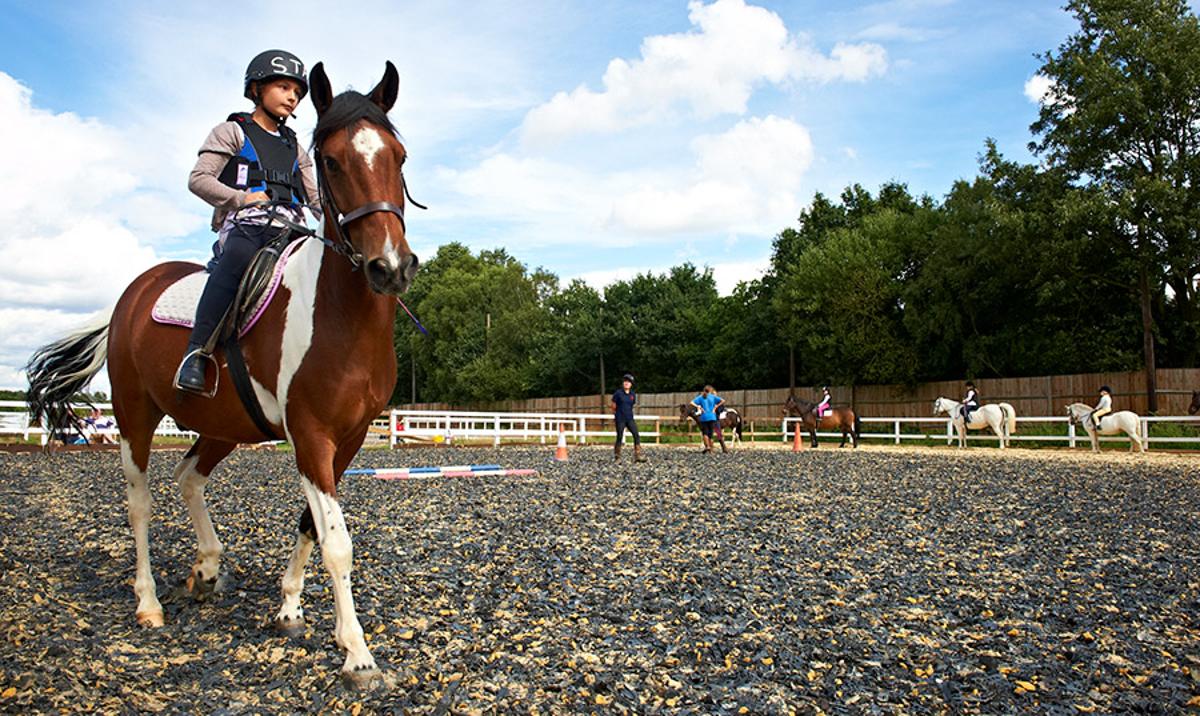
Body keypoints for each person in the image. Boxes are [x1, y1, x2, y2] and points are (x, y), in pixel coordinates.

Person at [175, 50, 320, 394]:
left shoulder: (295, 147)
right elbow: (198, 179)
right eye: (284, 87)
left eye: (297, 93)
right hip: (246, 225)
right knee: (238, 258)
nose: (292, 97)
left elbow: (315, 198)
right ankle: (196, 353)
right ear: (256, 88)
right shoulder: (232, 132)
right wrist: (242, 198)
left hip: (292, 230)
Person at [611, 374, 647, 463]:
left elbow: (631, 405)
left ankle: (637, 455)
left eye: (629, 382)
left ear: (631, 384)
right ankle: (617, 457)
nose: (626, 383)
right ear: (623, 383)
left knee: (636, 435)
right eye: (625, 381)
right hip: (620, 419)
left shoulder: (632, 395)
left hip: (630, 418)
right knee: (619, 437)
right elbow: (613, 406)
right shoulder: (618, 393)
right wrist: (616, 415)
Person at [691, 385, 727, 454]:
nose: (714, 394)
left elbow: (721, 409)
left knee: (714, 434)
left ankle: (723, 447)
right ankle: (712, 448)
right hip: (713, 418)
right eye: (713, 393)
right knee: (713, 434)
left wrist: (716, 408)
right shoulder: (712, 398)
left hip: (714, 418)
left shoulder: (711, 398)